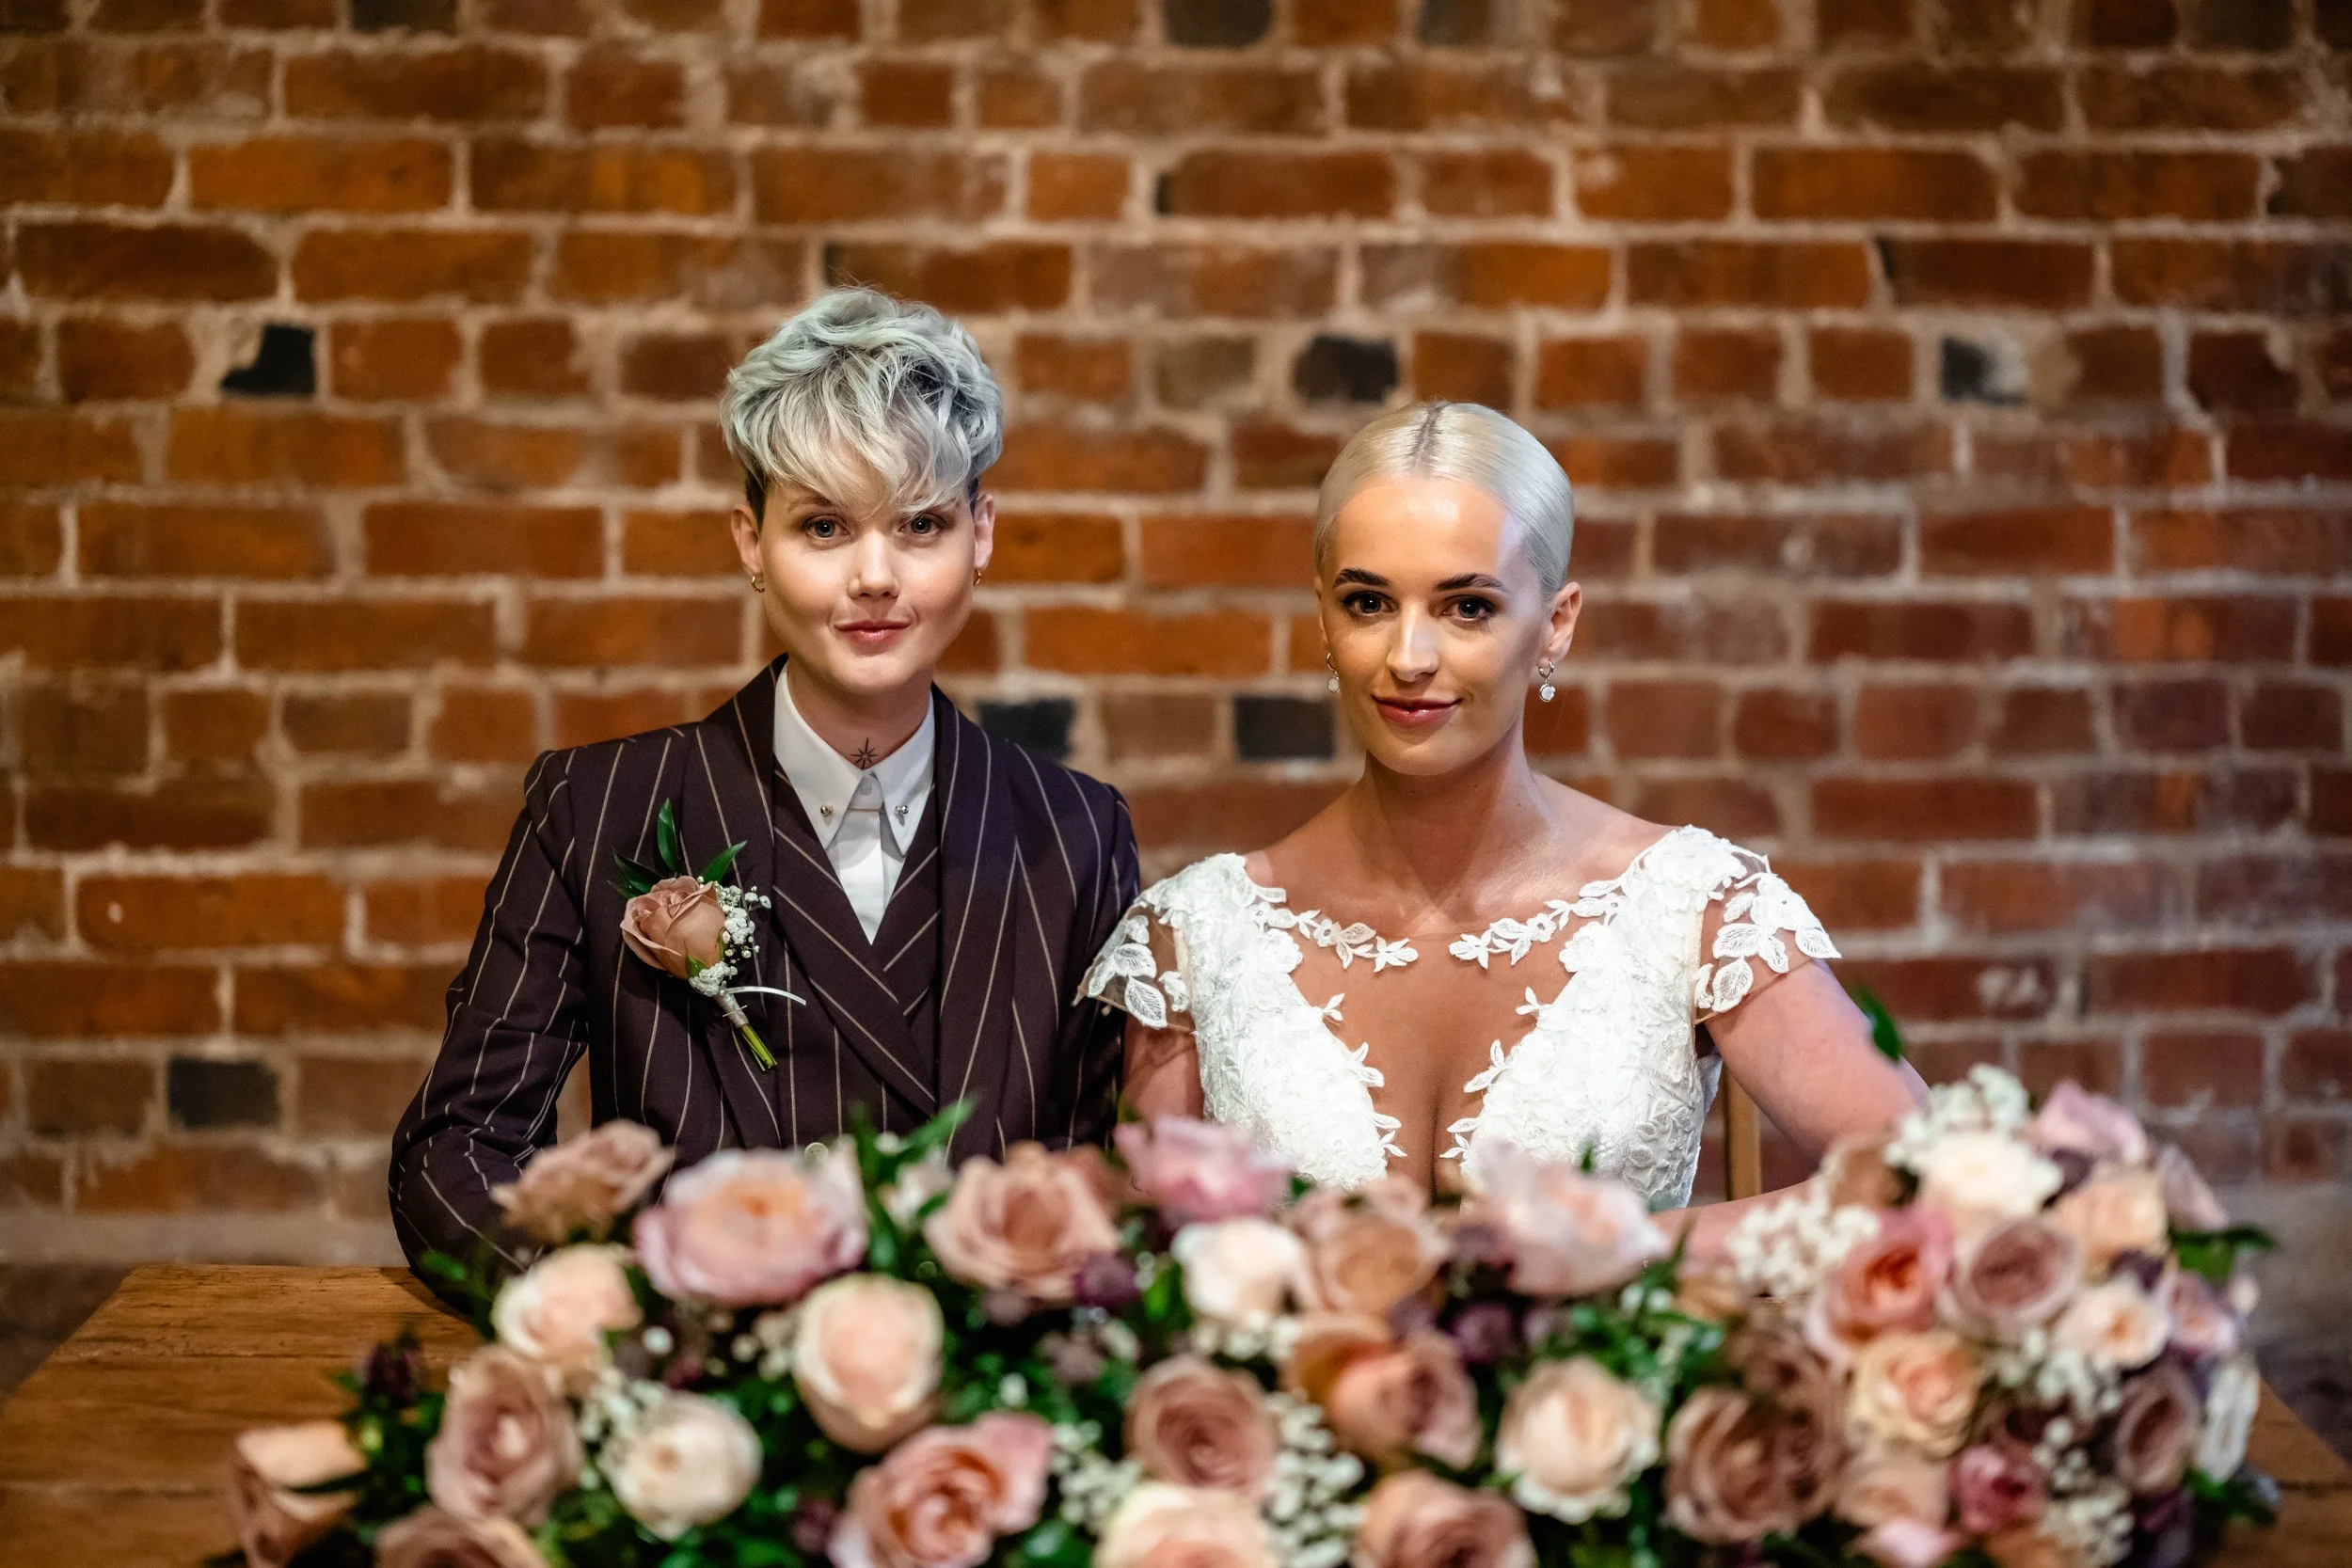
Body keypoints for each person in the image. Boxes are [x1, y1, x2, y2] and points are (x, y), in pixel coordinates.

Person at [392, 288, 1138, 1287]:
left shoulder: (1078, 830)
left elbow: (1107, 1180)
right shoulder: (596, 805)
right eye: (824, 527)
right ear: (750, 539)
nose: (875, 575)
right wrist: (602, 1322)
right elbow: (454, 1148)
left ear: (982, 532)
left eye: (919, 523)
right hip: (697, 1396)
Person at [1085, 401, 1923, 1254]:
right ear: (1325, 619)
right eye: (1369, 602)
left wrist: (1615, 1258)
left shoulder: (1689, 904)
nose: (1408, 657)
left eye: (1468, 608)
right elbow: (1145, 1270)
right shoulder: (1197, 934)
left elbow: (1925, 1183)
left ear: (1555, 623)